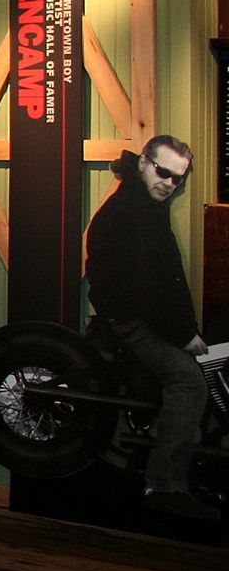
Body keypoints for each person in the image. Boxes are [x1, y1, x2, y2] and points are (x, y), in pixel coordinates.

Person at [84, 134, 218, 520]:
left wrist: (186, 329)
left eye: (178, 178)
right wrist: (183, 335)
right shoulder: (128, 214)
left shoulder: (144, 205)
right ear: (143, 162)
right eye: (163, 172)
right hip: (130, 320)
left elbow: (166, 280)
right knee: (188, 381)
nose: (169, 183)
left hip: (143, 316)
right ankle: (164, 485)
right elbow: (149, 289)